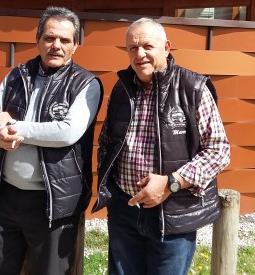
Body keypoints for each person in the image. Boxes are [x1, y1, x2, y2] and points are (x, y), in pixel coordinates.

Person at [93, 17, 230, 275]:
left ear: (166, 47)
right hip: (125, 210)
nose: (139, 54)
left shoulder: (193, 88)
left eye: (147, 46)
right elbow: (107, 142)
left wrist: (171, 182)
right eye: (132, 48)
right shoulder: (122, 89)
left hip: (172, 213)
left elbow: (219, 150)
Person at [0, 6, 103, 275]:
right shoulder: (15, 77)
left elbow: (67, 132)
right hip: (7, 197)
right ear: (38, 40)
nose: (56, 45)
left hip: (54, 202)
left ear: (75, 45)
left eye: (65, 40)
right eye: (49, 38)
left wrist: (11, 126)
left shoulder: (86, 84)